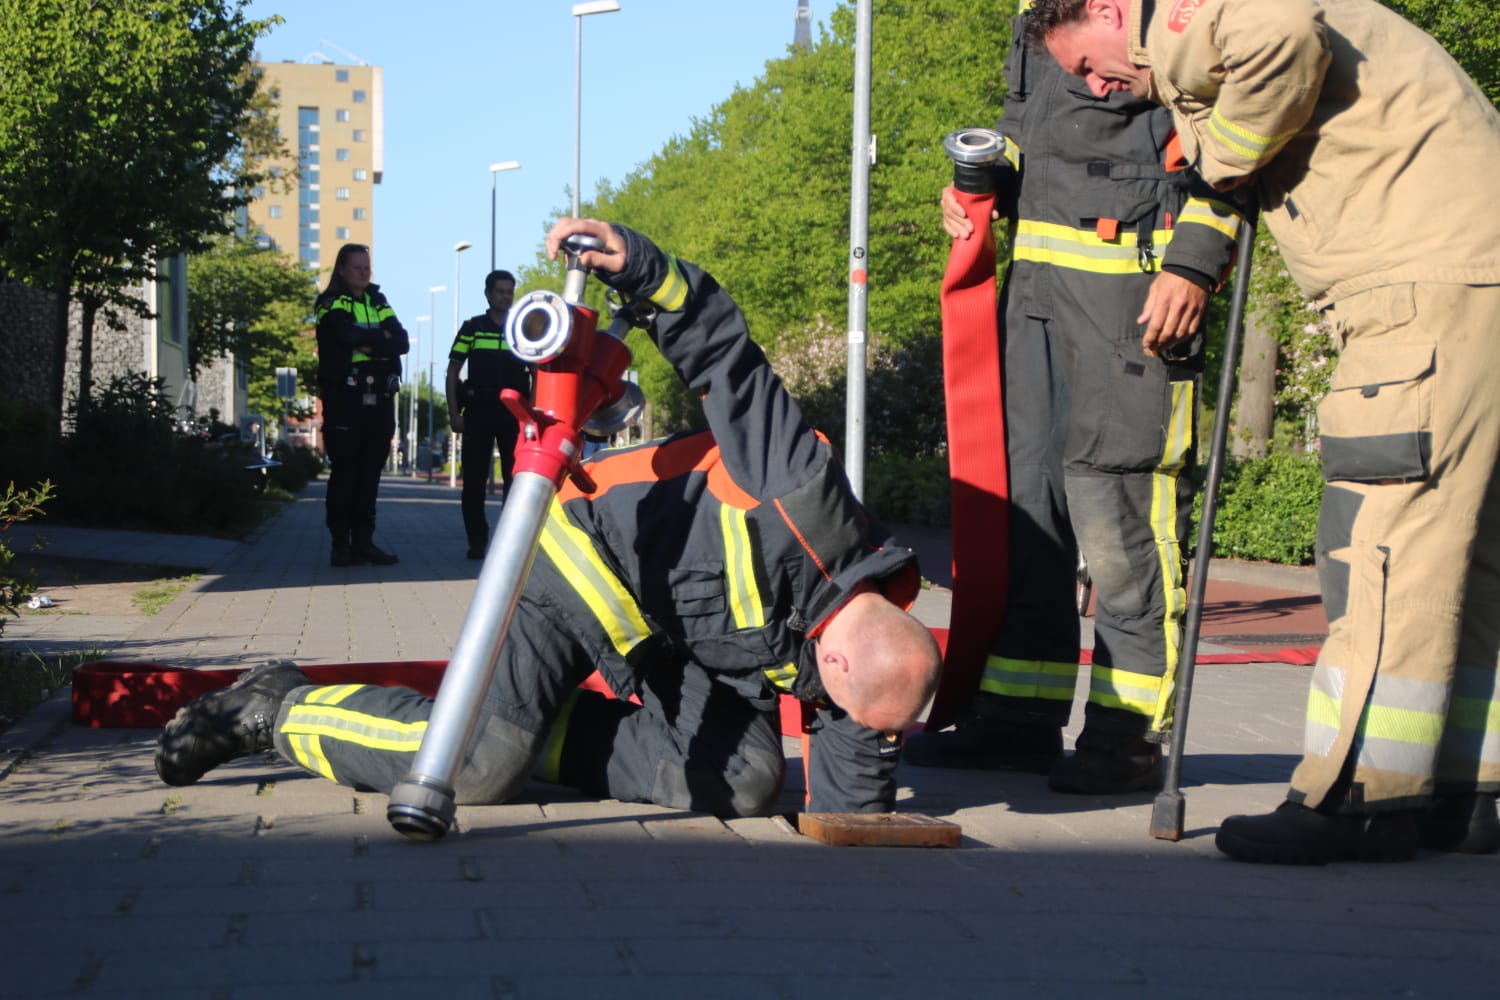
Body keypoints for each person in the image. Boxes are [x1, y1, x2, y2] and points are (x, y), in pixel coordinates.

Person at [155, 218, 945, 818]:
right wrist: (641, 265)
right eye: (851, 716)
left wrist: (859, 849)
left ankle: (529, 716)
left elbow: (857, 763)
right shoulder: (800, 489)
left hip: (665, 634)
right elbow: (724, 357)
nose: (851, 728)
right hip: (579, 560)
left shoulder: (868, 649)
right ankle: (271, 706)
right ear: (838, 667)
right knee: (479, 771)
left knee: (746, 779)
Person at [1025, 0, 1500, 863]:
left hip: (1419, 291)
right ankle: (1468, 792)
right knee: (1470, 551)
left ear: (1104, 8)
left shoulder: (1191, 15)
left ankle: (1360, 795)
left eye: (1091, 65)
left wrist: (1223, 154)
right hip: (1474, 277)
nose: (1103, 86)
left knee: (1384, 544)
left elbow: (1284, 40)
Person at [903, 0, 1243, 795]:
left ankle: (1126, 737)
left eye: (1093, 61)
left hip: (1136, 305)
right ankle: (1019, 720)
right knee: (1030, 517)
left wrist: (1194, 263)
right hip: (1036, 305)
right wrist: (980, 186)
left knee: (1121, 518)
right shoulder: (1041, 15)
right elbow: (1026, 136)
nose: (1086, 75)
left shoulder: (1187, 14)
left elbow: (1241, 142)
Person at [315, 243, 410, 567]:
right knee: (345, 474)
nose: (363, 272)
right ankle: (340, 544)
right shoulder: (330, 303)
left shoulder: (377, 300)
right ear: (342, 270)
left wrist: (372, 343)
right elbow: (344, 336)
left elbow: (402, 341)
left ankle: (364, 542)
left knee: (370, 475)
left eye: (366, 267)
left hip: (380, 398)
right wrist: (379, 341)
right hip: (346, 399)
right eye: (357, 267)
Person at [446, 269, 534, 560]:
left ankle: (510, 542)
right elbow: (452, 371)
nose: (506, 296)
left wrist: (532, 414)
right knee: (473, 482)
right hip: (478, 411)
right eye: (500, 291)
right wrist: (454, 414)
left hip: (514, 413)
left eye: (510, 291)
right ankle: (477, 540)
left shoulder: (521, 329)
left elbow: (537, 372)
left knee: (516, 480)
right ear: (488, 294)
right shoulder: (472, 328)